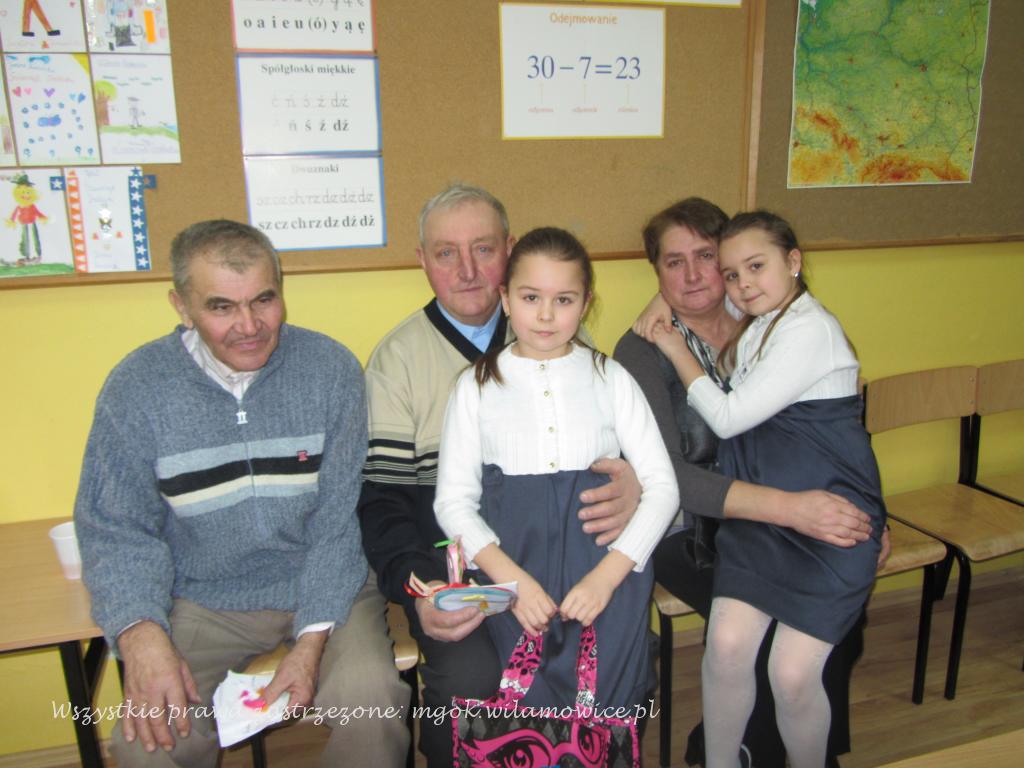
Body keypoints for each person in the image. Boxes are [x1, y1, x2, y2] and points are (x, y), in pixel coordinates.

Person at [74, 220, 410, 768]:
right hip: (204, 596)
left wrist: (311, 642)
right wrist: (140, 633)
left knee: (370, 705)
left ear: (281, 289)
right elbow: (114, 528)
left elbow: (337, 521)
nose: (249, 326)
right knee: (148, 745)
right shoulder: (136, 389)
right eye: (221, 307)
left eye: (263, 300)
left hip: (328, 582)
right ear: (182, 306)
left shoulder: (330, 369)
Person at [358, 184, 642, 767]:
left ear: (510, 251)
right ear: (422, 260)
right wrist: (421, 589)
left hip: (564, 562)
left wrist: (633, 483)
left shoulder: (559, 334)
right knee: (472, 680)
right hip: (455, 576)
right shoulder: (397, 361)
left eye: (483, 249)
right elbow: (382, 505)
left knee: (614, 663)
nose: (467, 271)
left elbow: (616, 451)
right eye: (446, 253)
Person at [616, 197, 883, 767]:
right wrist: (790, 509)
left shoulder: (763, 318)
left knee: (826, 638)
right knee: (749, 642)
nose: (693, 275)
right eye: (673, 263)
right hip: (690, 528)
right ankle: (740, 751)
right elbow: (670, 478)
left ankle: (793, 752)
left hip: (791, 504)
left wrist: (862, 515)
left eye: (706, 258)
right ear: (656, 272)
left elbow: (833, 431)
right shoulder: (641, 350)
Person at [434, 227, 678, 708]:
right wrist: (513, 585)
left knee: (606, 711)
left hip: (608, 575)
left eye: (563, 300)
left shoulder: (612, 379)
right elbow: (452, 504)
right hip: (516, 579)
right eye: (531, 297)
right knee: (528, 717)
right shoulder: (474, 387)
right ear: (506, 299)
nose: (546, 315)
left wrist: (606, 578)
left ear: (585, 304)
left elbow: (662, 489)